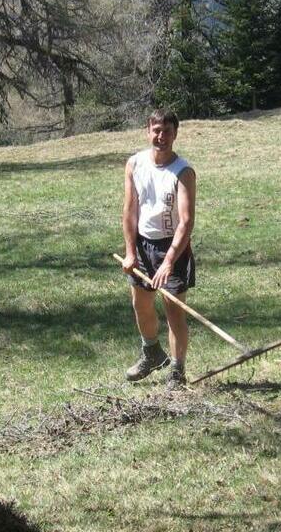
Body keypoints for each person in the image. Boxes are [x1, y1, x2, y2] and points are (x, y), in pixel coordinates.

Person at [121, 109, 196, 389]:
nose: (161, 136)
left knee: (174, 311)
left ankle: (177, 370)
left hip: (173, 247)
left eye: (167, 131)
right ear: (147, 131)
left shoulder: (183, 172)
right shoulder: (135, 164)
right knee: (140, 303)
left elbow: (186, 222)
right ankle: (151, 352)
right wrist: (130, 252)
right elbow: (129, 211)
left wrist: (168, 262)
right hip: (143, 244)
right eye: (156, 130)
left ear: (175, 134)